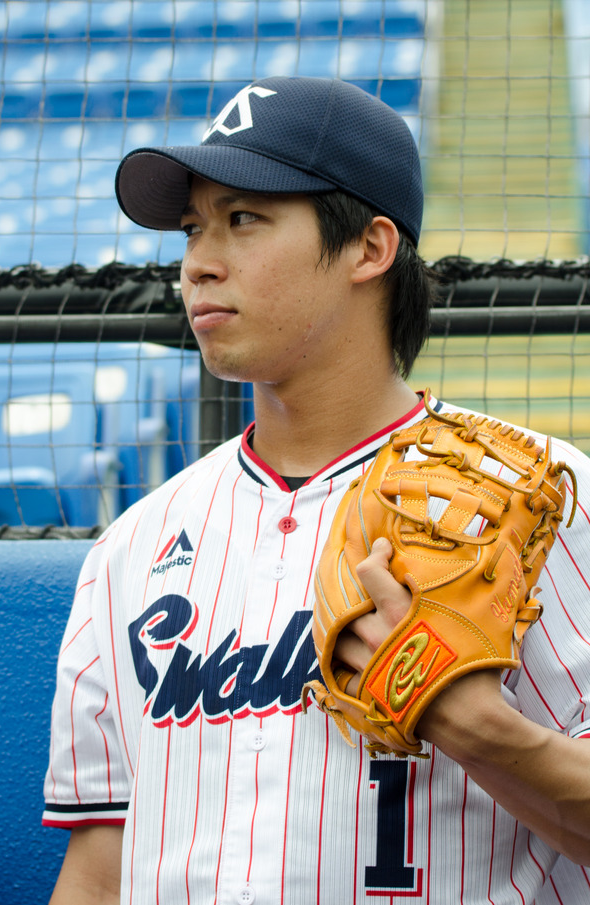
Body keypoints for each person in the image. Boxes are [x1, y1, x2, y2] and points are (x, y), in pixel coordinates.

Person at [44, 76, 590, 905]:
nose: (199, 261)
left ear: (370, 248)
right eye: (193, 227)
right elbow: (100, 868)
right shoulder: (133, 544)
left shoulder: (541, 498)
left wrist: (482, 734)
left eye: (243, 219)